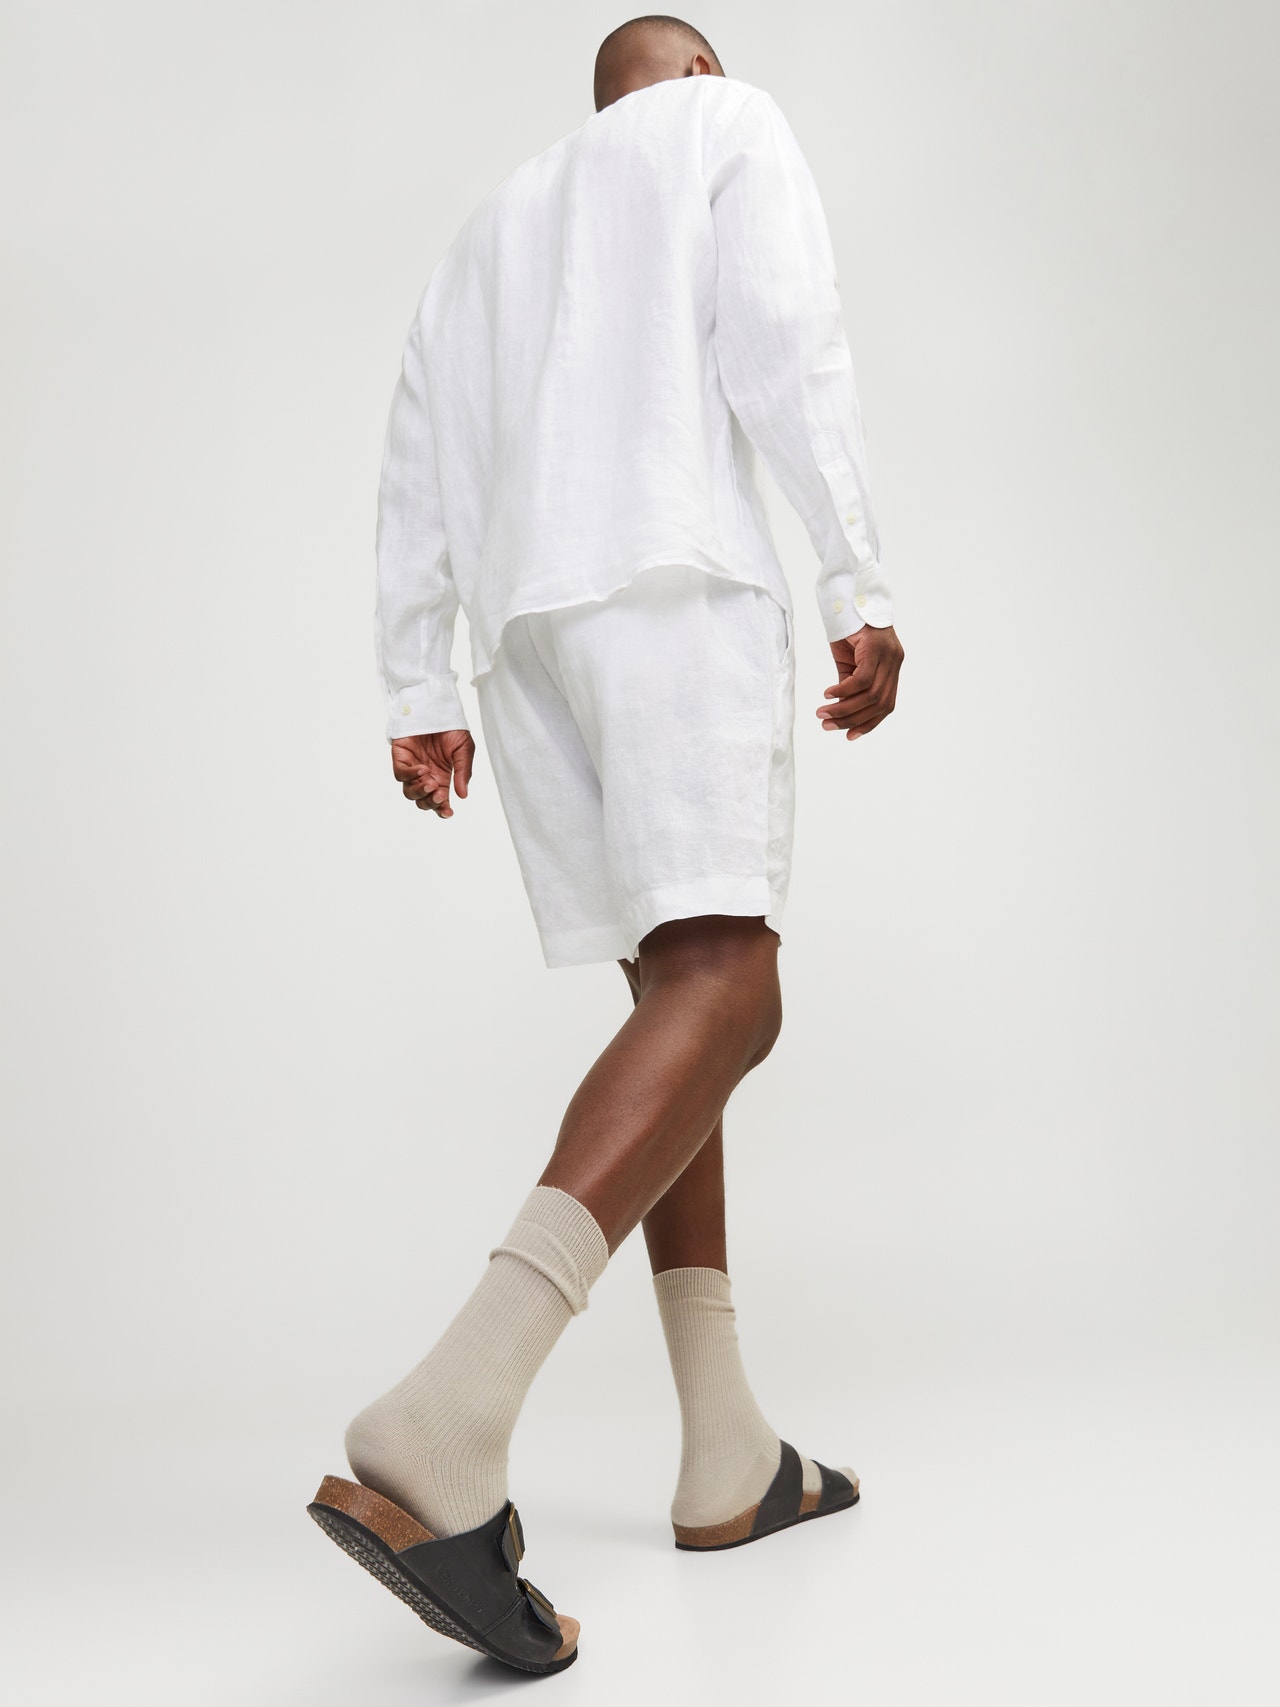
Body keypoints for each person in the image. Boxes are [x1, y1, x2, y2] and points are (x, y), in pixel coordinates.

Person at [307, 12, 904, 1676]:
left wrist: (419, 685)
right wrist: (855, 576)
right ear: (698, 74)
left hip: (529, 638)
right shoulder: (727, 124)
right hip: (670, 569)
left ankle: (727, 1450)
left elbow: (416, 458)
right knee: (733, 987)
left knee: (671, 991)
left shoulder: (491, 225)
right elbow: (786, 336)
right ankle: (453, 1408)